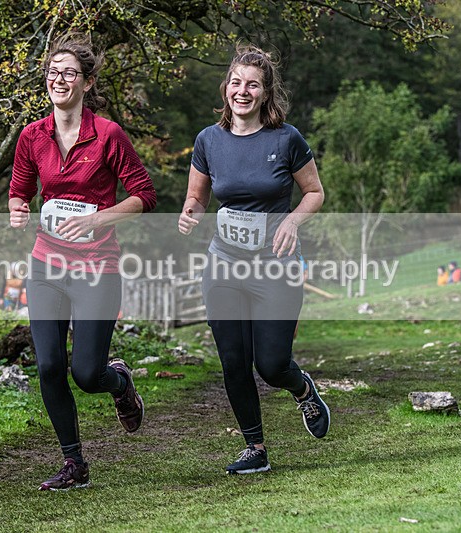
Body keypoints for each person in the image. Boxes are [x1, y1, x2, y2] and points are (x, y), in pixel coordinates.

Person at [8, 33, 156, 491]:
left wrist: (99, 219)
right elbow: (20, 187)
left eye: (69, 72)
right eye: (53, 72)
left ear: (87, 82)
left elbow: (145, 195)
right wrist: (17, 207)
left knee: (87, 373)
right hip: (47, 265)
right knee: (49, 366)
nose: (59, 79)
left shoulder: (108, 135)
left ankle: (119, 384)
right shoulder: (32, 135)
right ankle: (75, 463)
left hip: (97, 265)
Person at [178, 44, 330, 475]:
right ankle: (255, 448)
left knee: (272, 363)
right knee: (233, 360)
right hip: (224, 264)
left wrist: (291, 223)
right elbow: (197, 195)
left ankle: (301, 389)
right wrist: (191, 213)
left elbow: (314, 193)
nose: (243, 91)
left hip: (275, 265)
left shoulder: (286, 139)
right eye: (237, 83)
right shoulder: (209, 139)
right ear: (226, 87)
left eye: (253, 85)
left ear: (265, 93)